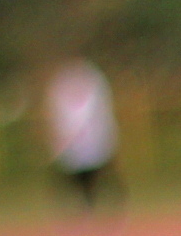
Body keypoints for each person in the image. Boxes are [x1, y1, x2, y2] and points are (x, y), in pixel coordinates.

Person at [41, 57, 122, 214]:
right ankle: (82, 205)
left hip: (93, 142)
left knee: (100, 173)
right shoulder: (64, 92)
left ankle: (104, 204)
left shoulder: (93, 86)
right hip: (74, 145)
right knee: (73, 176)